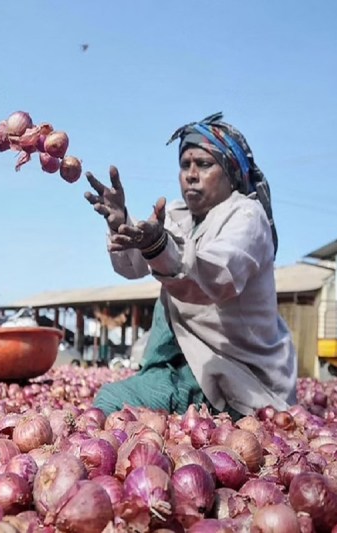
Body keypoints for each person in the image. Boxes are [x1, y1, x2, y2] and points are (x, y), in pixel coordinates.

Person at [85, 112, 297, 419]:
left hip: (233, 375)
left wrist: (157, 245)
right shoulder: (178, 214)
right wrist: (122, 225)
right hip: (187, 364)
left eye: (204, 164)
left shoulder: (246, 216)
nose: (191, 174)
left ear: (230, 171)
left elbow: (217, 276)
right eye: (185, 165)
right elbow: (134, 266)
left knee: (111, 402)